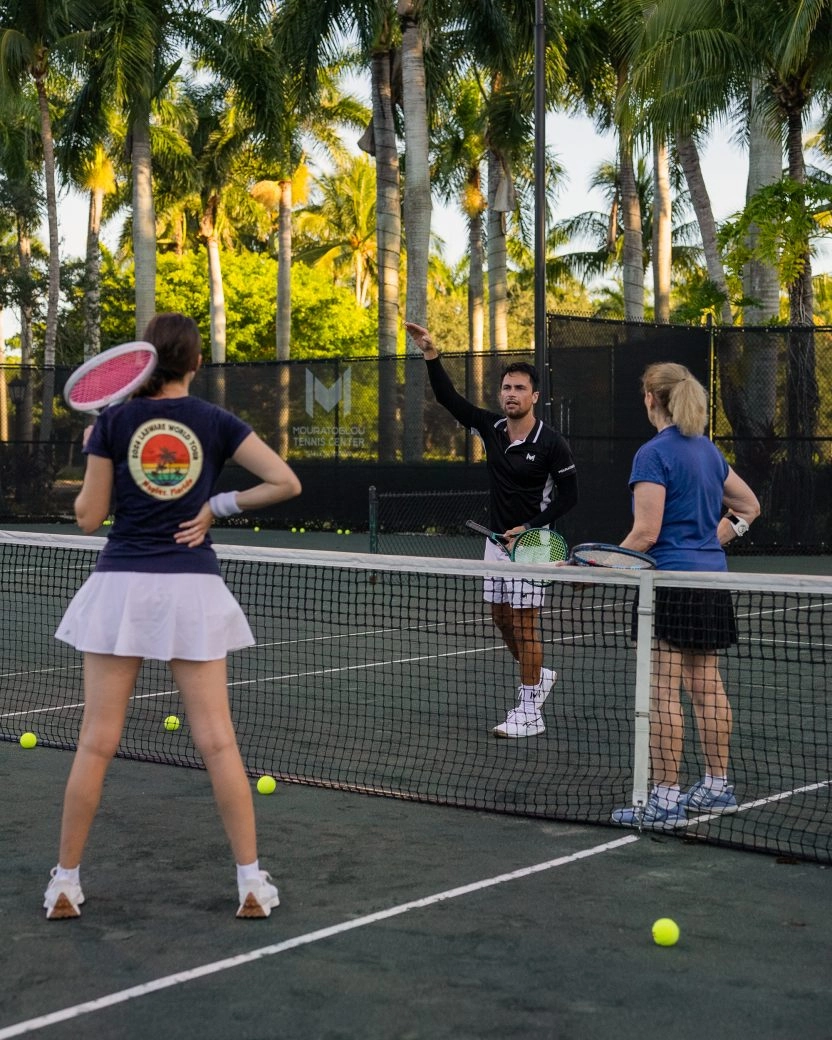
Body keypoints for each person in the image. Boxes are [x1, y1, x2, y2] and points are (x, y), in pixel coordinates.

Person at [44, 312, 302, 920]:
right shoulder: (215, 421)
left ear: (143, 361)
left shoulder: (113, 423)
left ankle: (64, 882)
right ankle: (248, 882)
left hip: (121, 586)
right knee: (218, 743)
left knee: (95, 743)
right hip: (190, 587)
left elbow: (87, 518)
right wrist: (216, 504)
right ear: (194, 363)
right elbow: (284, 482)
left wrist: (92, 455)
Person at [404, 321, 578, 739]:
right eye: (506, 388)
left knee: (524, 624)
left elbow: (569, 497)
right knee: (500, 618)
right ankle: (539, 677)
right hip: (495, 542)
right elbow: (450, 400)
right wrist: (431, 353)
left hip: (534, 546)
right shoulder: (493, 428)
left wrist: (530, 528)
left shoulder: (551, 443)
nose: (512, 395)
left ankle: (529, 709)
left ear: (534, 396)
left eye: (520, 388)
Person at [610, 362, 760, 831]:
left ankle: (665, 797)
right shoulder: (708, 452)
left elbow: (646, 533)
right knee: (706, 686)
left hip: (668, 587)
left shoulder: (653, 455)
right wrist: (714, 539)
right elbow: (749, 506)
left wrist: (591, 564)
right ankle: (716, 784)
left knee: (662, 695)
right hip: (711, 584)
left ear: (651, 399)